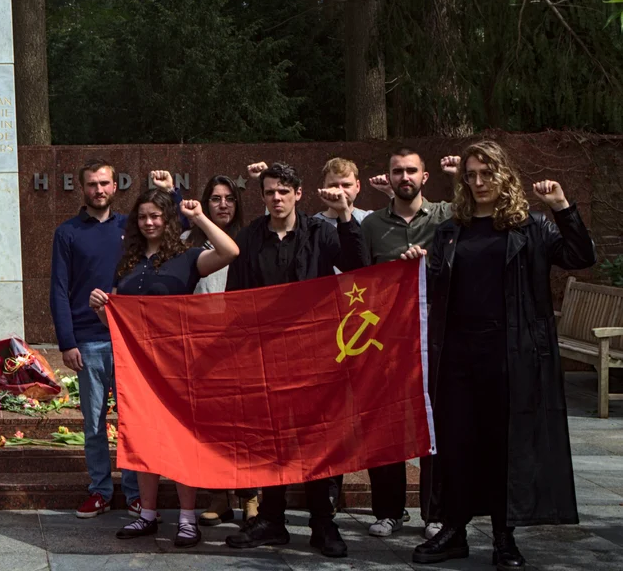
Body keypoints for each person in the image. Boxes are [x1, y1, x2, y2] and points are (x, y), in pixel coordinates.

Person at [402, 140, 595, 570]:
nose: (477, 182)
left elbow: (581, 255)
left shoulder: (531, 227)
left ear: (503, 174)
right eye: (470, 175)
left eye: (485, 173)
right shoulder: (452, 229)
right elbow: (433, 286)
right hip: (457, 353)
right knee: (455, 443)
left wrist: (563, 206)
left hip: (510, 354)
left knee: (501, 445)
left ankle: (504, 538)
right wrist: (417, 262)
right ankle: (453, 530)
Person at [223, 162, 365, 559]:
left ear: (299, 194)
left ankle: (323, 522)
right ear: (263, 195)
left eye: (284, 191)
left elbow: (357, 265)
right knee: (271, 439)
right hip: (265, 355)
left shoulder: (322, 232)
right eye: (269, 192)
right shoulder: (251, 237)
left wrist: (346, 213)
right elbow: (237, 298)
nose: (276, 198)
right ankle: (272, 519)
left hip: (315, 354)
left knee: (317, 439)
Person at [89, 189, 239, 546]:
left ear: (168, 220)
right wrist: (101, 308)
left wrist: (199, 217)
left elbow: (230, 251)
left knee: (180, 440)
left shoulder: (187, 257)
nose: (149, 222)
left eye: (156, 215)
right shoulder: (128, 262)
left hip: (178, 363)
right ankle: (148, 515)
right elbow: (117, 320)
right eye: (142, 217)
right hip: (138, 367)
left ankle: (187, 519)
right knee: (143, 438)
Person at [51, 163, 176, 519]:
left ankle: (135, 492)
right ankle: (101, 490)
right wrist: (66, 341)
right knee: (94, 422)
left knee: (132, 420)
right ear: (82, 188)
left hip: (131, 340)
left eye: (104, 182)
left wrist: (170, 192)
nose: (99, 189)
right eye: (92, 184)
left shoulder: (131, 227)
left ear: (115, 185)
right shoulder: (68, 233)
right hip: (88, 341)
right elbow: (58, 291)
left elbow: (173, 229)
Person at [360, 149, 460, 540]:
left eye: (411, 171)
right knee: (386, 424)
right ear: (388, 177)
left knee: (433, 423)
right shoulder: (372, 225)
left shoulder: (445, 216)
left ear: (425, 176)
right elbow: (361, 281)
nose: (405, 177)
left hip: (435, 335)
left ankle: (434, 512)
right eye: (397, 171)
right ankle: (389, 511)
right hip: (386, 340)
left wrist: (427, 262)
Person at [187, 164, 264, 527]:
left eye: (229, 199)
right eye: (215, 199)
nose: (222, 205)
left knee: (247, 427)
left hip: (242, 345)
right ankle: (219, 497)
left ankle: (251, 496)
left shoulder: (249, 239)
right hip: (203, 347)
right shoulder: (190, 243)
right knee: (212, 428)